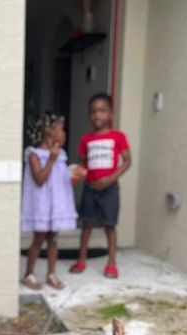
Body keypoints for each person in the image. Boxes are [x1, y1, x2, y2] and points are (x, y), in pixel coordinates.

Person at [69, 93, 131, 278]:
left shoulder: (118, 136)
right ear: (89, 115)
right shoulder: (86, 139)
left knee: (109, 226)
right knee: (87, 224)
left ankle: (112, 263)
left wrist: (110, 179)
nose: (97, 115)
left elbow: (127, 161)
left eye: (102, 111)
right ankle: (81, 259)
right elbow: (83, 163)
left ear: (111, 113)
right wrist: (78, 173)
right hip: (90, 187)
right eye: (94, 111)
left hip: (110, 188)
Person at [21, 113, 78, 290]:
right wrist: (51, 159)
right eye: (61, 129)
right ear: (48, 132)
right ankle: (28, 274)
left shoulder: (61, 154)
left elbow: (60, 180)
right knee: (38, 239)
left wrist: (74, 176)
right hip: (41, 205)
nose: (64, 134)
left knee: (53, 239)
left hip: (55, 205)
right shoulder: (34, 154)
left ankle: (51, 274)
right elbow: (39, 179)